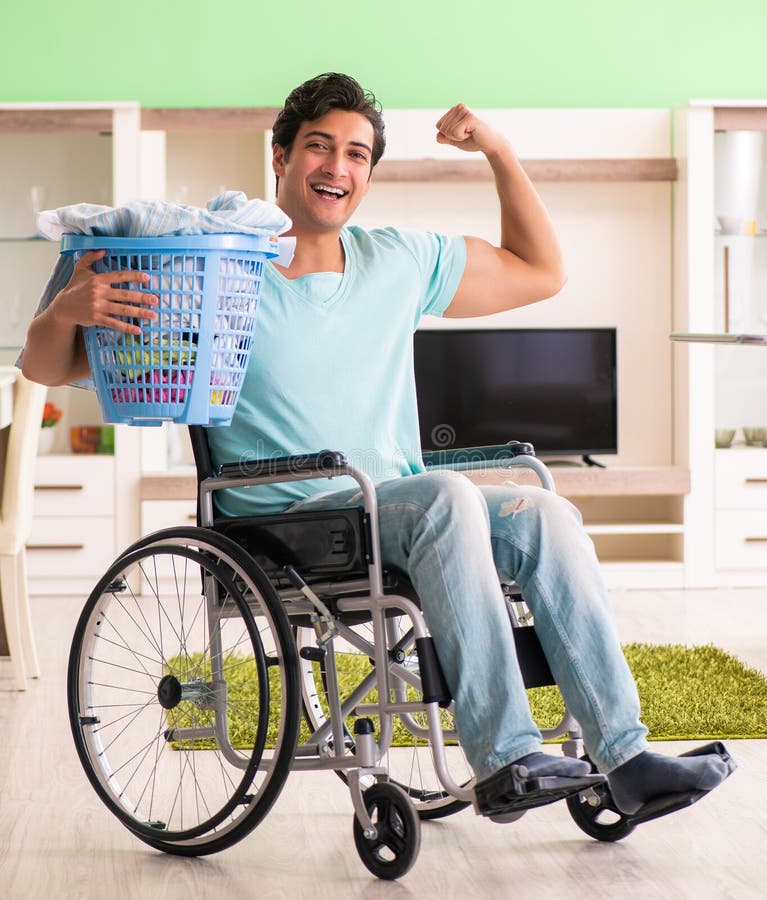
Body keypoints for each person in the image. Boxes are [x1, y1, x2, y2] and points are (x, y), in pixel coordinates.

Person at [20, 72, 732, 822]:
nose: (337, 168)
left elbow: (541, 272)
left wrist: (496, 149)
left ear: (368, 174)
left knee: (544, 513)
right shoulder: (217, 272)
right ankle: (504, 757)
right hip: (283, 518)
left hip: (400, 508)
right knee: (446, 496)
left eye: (357, 154)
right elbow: (49, 366)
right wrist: (69, 307)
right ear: (280, 157)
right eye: (319, 147)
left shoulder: (399, 259)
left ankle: (622, 756)